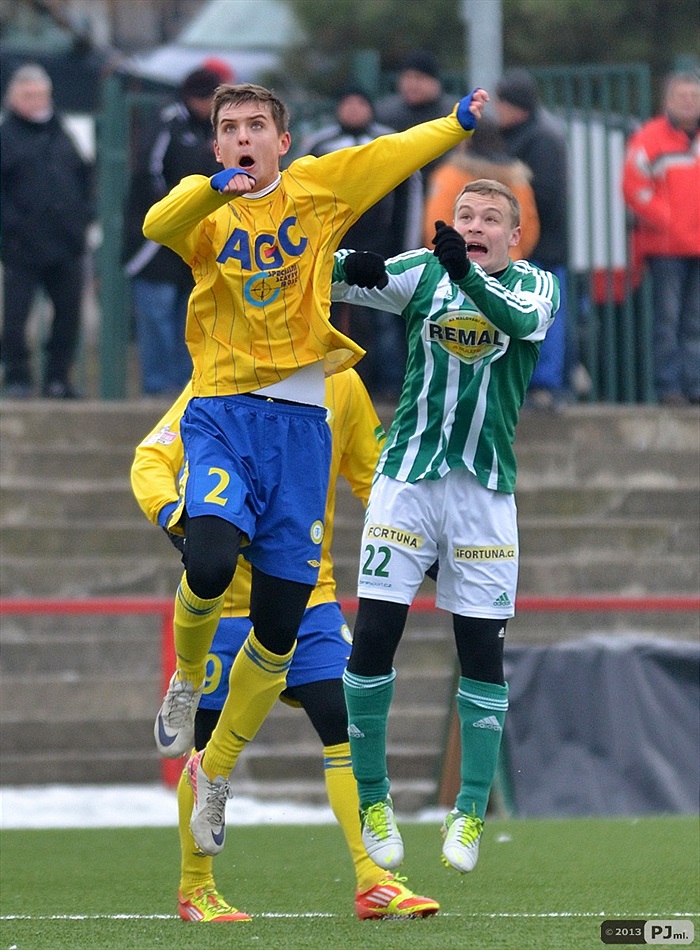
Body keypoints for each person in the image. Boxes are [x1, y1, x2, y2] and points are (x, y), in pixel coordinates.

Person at [143, 82, 488, 858]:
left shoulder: (319, 190)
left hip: (300, 425)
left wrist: (455, 123)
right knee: (207, 556)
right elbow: (154, 223)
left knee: (280, 623)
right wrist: (208, 188)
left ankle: (219, 769)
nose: (242, 137)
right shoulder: (204, 209)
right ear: (217, 143)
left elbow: (389, 156)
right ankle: (187, 679)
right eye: (228, 128)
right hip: (224, 413)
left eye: (256, 125)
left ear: (282, 140)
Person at [131, 365, 439, 921]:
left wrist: (417, 536)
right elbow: (152, 456)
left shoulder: (342, 383)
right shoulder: (225, 374)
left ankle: (374, 879)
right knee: (208, 749)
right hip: (227, 608)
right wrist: (174, 515)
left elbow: (377, 477)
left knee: (347, 724)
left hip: (310, 597)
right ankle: (195, 886)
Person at [330, 179, 559, 875]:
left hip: (484, 493)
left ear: (514, 237)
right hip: (407, 482)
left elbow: (519, 326)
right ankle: (374, 799)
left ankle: (468, 811)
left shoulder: (536, 287)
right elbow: (333, 277)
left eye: (492, 218)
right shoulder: (423, 271)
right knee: (373, 636)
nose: (476, 224)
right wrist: (350, 266)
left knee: (481, 650)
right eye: (465, 215)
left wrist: (463, 269)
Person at [301, 86, 423, 400]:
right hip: (330, 247)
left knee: (384, 319)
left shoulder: (389, 142)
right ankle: (327, 384)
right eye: (348, 103)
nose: (354, 110)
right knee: (327, 316)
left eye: (360, 103)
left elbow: (410, 196)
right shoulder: (319, 144)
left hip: (381, 247)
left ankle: (391, 383)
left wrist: (405, 246)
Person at [123, 67, 227, 396]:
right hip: (156, 242)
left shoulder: (215, 130)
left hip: (200, 237)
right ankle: (158, 385)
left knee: (192, 315)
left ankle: (188, 386)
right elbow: (148, 171)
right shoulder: (168, 122)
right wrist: (173, 210)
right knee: (156, 314)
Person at [0, 63, 94, 399]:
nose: (35, 101)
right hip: (21, 245)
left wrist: (83, 217)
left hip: (66, 242)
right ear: (13, 98)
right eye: (28, 95)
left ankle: (58, 378)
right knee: (15, 316)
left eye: (40, 94)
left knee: (68, 316)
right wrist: (11, 227)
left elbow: (84, 178)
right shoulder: (6, 136)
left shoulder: (63, 133)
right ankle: (18, 377)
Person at [622, 70, 700, 406]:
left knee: (695, 320)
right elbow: (634, 187)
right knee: (669, 321)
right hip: (667, 247)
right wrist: (669, 220)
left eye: (694, 96)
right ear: (667, 100)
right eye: (682, 96)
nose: (689, 102)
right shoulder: (649, 138)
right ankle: (670, 388)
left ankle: (694, 385)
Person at [494, 68, 569, 408]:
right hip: (523, 245)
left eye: (501, 102)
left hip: (542, 247)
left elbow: (546, 197)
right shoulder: (521, 135)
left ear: (516, 105)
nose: (496, 109)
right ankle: (530, 384)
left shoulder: (540, 139)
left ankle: (544, 385)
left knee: (545, 317)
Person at [422, 115, 540, 256]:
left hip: (459, 266)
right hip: (506, 266)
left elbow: (436, 224)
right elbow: (529, 230)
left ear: (466, 141)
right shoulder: (517, 179)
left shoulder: (451, 175)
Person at [375, 51, 458, 190]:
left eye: (419, 78)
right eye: (407, 78)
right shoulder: (385, 114)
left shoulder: (453, 114)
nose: (412, 84)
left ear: (435, 82)